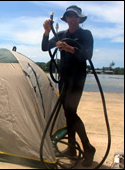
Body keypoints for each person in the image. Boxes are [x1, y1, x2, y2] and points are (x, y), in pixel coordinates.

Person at [42, 5, 96, 167]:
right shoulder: (61, 34)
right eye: (69, 16)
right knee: (67, 112)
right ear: (66, 19)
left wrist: (70, 49)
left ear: (79, 19)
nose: (72, 19)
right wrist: (46, 32)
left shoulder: (85, 34)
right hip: (64, 78)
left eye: (75, 16)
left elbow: (88, 55)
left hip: (77, 78)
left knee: (71, 111)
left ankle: (88, 147)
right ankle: (72, 148)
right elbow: (45, 47)